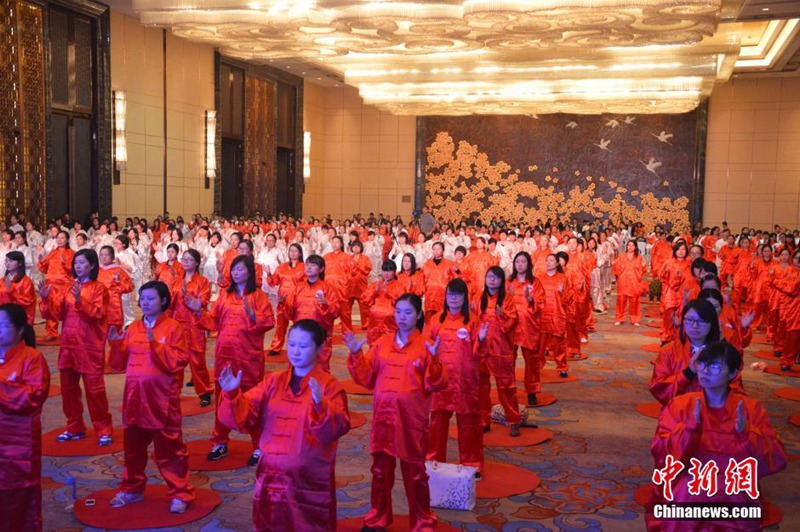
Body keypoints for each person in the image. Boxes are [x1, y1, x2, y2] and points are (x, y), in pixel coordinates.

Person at [218, 319, 351, 531]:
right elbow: (245, 416)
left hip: (308, 478)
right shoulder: (273, 381)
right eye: (292, 344)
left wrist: (322, 405)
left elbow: (339, 427)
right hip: (271, 475)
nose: (296, 351)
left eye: (303, 346)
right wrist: (233, 393)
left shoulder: (329, 385)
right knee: (271, 523)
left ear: (319, 348)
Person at [650, 342, 787, 531]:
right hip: (691, 482)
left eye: (715, 367)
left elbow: (776, 459)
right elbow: (661, 452)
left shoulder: (750, 409)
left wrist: (747, 433)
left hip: (734, 486)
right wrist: (689, 428)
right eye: (702, 364)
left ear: (732, 374)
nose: (705, 371)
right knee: (685, 496)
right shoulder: (681, 405)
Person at [344, 293, 446, 532]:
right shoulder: (382, 343)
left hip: (412, 421)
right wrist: (356, 354)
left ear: (419, 315)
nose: (401, 317)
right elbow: (367, 377)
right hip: (383, 418)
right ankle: (377, 517)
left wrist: (435, 359)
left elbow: (437, 384)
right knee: (380, 471)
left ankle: (422, 522)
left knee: (415, 474)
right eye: (398, 311)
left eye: (408, 312)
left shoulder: (425, 346)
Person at [107, 281, 194, 514]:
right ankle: (132, 487)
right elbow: (117, 365)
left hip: (162, 399)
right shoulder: (133, 327)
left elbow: (178, 361)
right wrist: (116, 345)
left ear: (164, 301)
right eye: (142, 298)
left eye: (151, 298)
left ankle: (180, 492)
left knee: (170, 448)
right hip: (135, 397)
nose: (145, 302)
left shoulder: (174, 328)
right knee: (133, 447)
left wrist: (155, 343)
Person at [187, 255, 275, 464]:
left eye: (240, 269)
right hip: (225, 357)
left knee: (252, 401)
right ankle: (220, 441)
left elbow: (269, 321)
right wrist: (198, 310)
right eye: (233, 269)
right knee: (222, 399)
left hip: (248, 358)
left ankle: (258, 445)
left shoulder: (258, 296)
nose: (235, 272)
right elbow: (213, 322)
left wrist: (253, 316)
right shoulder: (225, 297)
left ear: (249, 272)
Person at [37, 249, 114, 445]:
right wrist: (46, 298)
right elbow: (55, 314)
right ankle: (75, 427)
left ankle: (103, 428)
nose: (78, 266)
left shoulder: (99, 289)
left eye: (82, 262)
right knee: (68, 389)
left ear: (92, 265)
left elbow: (97, 313)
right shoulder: (69, 287)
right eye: (76, 263)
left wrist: (80, 300)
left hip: (89, 346)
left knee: (94, 391)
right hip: (69, 345)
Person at [426, 278, 487, 475]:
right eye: (450, 294)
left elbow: (480, 354)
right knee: (437, 422)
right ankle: (433, 460)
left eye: (458, 294)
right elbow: (426, 347)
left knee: (469, 422)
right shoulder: (436, 320)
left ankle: (472, 464)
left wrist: (482, 339)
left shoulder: (473, 320)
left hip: (464, 380)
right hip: (441, 380)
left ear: (464, 297)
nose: (453, 298)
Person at [0, 303, 50, 531]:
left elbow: (31, 399)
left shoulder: (32, 358)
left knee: (18, 502)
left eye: (2, 325)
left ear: (20, 329)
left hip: (17, 445)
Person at [650, 299, 742, 406]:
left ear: (712, 323)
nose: (694, 326)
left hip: (713, 417)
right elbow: (659, 389)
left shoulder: (722, 353)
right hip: (677, 415)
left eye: (701, 321)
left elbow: (736, 390)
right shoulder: (669, 350)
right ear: (683, 321)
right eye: (689, 320)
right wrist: (688, 373)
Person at [477, 266, 520, 436]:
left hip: (502, 349)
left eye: (495, 277)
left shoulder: (507, 299)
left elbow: (513, 320)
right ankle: (483, 420)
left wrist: (502, 315)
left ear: (501, 281)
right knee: (482, 386)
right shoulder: (478, 298)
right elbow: (472, 319)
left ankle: (514, 420)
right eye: (489, 276)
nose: (491, 280)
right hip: (482, 349)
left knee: (506, 386)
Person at [170, 249, 212, 406]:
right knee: (175, 359)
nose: (185, 261)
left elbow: (205, 300)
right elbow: (169, 303)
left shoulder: (202, 281)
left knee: (197, 359)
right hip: (177, 324)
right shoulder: (176, 281)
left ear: (196, 263)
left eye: (189, 259)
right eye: (183, 259)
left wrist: (196, 302)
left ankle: (204, 392)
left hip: (195, 324)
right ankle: (174, 391)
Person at [283, 254, 340, 372]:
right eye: (307, 265)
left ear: (321, 269)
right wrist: (283, 303)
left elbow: (336, 311)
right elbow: (289, 313)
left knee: (319, 367)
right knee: (298, 365)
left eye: (313, 265)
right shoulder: (298, 288)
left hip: (319, 334)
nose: (308, 268)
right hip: (300, 333)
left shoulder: (327, 288)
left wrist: (326, 304)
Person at [508, 251, 545, 406]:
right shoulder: (509, 282)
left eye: (523, 261)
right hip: (511, 326)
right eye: (517, 262)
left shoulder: (535, 283)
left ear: (529, 264)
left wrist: (531, 300)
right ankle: (509, 390)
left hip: (529, 325)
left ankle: (531, 391)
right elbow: (502, 302)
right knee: (509, 359)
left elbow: (541, 304)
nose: (520, 264)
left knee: (531, 361)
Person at [265, 243, 305, 356]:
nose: (292, 253)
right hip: (282, 299)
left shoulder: (304, 267)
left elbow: (307, 284)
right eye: (291, 250)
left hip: (297, 300)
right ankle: (276, 347)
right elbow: (275, 281)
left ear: (300, 253)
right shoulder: (282, 267)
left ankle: (300, 347)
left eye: (295, 251)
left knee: (299, 325)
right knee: (281, 324)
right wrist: (268, 273)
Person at [36, 230, 74, 343]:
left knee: (66, 309)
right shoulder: (52, 252)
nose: (60, 240)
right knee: (50, 307)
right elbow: (44, 269)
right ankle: (51, 332)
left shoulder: (71, 253)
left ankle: (68, 331)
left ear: (67, 240)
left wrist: (64, 263)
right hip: (51, 284)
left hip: (64, 284)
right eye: (58, 237)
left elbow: (73, 270)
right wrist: (41, 262)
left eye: (63, 238)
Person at [538, 254, 571, 378]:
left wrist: (563, 292)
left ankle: (562, 367)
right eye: (547, 261)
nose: (549, 263)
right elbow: (536, 297)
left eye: (552, 260)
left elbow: (568, 298)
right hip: (543, 315)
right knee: (539, 343)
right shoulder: (539, 278)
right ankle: (537, 365)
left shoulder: (563, 278)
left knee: (559, 343)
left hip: (558, 314)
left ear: (557, 263)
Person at [342, 240, 372, 334]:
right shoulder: (348, 258)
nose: (356, 248)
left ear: (361, 248)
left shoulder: (365, 258)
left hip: (361, 285)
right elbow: (344, 270)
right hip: (350, 285)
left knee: (364, 305)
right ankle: (346, 325)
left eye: (358, 246)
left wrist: (358, 267)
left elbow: (368, 268)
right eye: (354, 246)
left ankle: (366, 324)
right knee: (346, 306)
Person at [612, 240, 646, 325]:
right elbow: (616, 269)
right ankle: (619, 318)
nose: (630, 247)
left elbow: (643, 269)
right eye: (629, 245)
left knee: (634, 301)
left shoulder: (639, 257)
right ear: (626, 247)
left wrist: (638, 275)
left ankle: (635, 319)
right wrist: (614, 264)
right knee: (621, 300)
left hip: (634, 281)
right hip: (623, 281)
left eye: (632, 245)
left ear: (635, 247)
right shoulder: (621, 256)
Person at [0, 251, 36, 325]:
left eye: (11, 261)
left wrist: (12, 291)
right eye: (6, 261)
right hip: (3, 316)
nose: (7, 263)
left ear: (20, 263)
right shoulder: (3, 280)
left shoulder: (26, 281)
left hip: (18, 318)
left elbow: (27, 301)